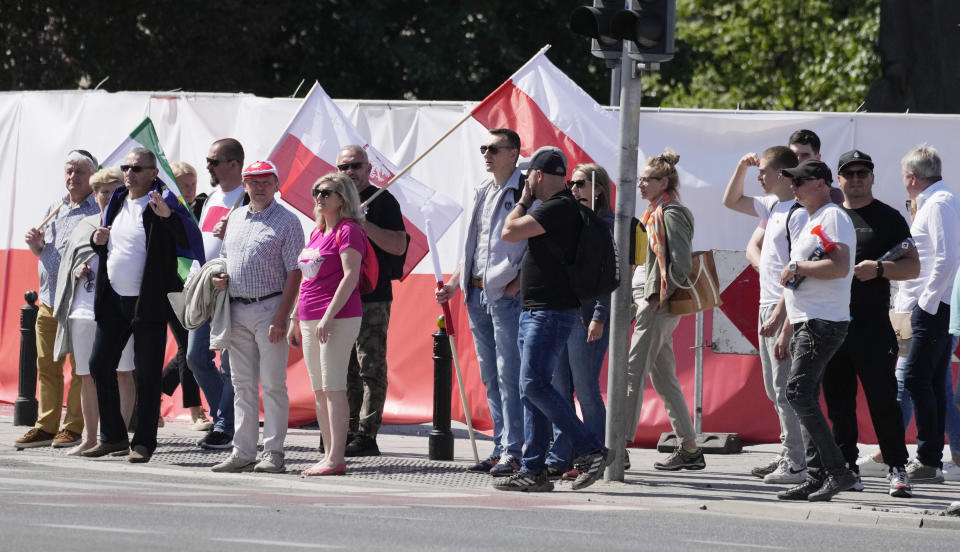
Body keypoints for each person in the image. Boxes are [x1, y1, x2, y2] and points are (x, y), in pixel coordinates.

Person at [494, 145, 608, 493]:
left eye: (529, 176)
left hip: (549, 312)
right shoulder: (561, 208)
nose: (526, 181)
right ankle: (535, 469)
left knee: (534, 386)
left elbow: (508, 232)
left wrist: (525, 200)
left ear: (538, 177)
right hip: (539, 311)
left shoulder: (558, 207)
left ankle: (589, 448)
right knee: (533, 391)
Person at [83, 147, 199, 463]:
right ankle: (114, 436)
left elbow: (189, 238)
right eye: (126, 167)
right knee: (99, 364)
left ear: (153, 173)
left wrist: (169, 217)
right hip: (113, 299)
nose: (129, 173)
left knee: (147, 374)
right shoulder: (119, 199)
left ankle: (143, 442)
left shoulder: (164, 200)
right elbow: (108, 240)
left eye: (137, 168)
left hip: (148, 301)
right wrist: (98, 241)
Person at [821, 150, 919, 498]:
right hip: (832, 326)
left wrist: (879, 269)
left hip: (873, 327)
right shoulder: (828, 217)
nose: (857, 179)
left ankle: (896, 468)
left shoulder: (889, 218)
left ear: (873, 178)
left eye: (863, 173)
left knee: (883, 401)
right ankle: (847, 469)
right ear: (839, 180)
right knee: (838, 403)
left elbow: (912, 266)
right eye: (850, 174)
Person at [435, 129, 526, 477]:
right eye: (483, 148)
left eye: (493, 148)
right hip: (477, 292)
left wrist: (517, 283)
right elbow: (473, 250)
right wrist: (456, 283)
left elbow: (534, 244)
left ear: (514, 153)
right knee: (491, 373)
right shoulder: (483, 192)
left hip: (505, 296)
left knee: (509, 372)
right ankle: (501, 445)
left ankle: (514, 449)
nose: (486, 153)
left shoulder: (524, 191)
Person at [210, 160, 303, 474]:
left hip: (269, 308)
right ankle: (243, 451)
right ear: (245, 185)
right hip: (236, 308)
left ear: (277, 185)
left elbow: (295, 272)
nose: (260, 187)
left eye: (266, 181)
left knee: (274, 384)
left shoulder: (288, 221)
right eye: (253, 181)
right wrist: (220, 278)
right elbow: (225, 258)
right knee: (242, 385)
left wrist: (282, 315)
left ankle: (274, 452)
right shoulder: (234, 218)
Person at [774, 159, 857, 501]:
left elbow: (839, 267)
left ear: (822, 184)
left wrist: (796, 264)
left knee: (799, 394)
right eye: (792, 181)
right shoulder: (806, 219)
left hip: (822, 321)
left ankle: (837, 472)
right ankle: (817, 474)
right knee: (802, 396)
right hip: (808, 320)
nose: (794, 186)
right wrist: (785, 328)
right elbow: (797, 281)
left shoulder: (833, 216)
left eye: (801, 180)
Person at [722, 146, 806, 483]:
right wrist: (741, 167)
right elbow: (731, 200)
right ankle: (791, 451)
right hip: (765, 304)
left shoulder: (798, 213)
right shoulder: (772, 205)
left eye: (764, 171)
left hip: (783, 307)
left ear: (784, 174)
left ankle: (799, 461)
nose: (760, 177)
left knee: (786, 388)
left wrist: (783, 319)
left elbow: (797, 273)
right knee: (775, 390)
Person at [623, 150, 703, 472]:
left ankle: (616, 446)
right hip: (649, 300)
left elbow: (681, 264)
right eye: (640, 179)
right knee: (664, 379)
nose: (640, 184)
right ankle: (691, 448)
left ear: (664, 182)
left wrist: (658, 295)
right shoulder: (654, 212)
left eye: (647, 179)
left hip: (657, 303)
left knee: (632, 372)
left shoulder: (671, 213)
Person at [15, 150, 101, 450]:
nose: (72, 177)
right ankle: (45, 426)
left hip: (77, 300)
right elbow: (47, 252)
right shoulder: (57, 206)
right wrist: (37, 247)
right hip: (50, 299)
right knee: (47, 365)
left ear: (92, 175)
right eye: (68, 171)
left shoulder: (97, 210)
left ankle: (74, 427)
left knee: (80, 368)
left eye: (79, 172)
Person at [51, 167, 136, 455]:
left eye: (112, 191)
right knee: (86, 373)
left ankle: (119, 437)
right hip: (83, 309)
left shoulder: (131, 224)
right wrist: (78, 269)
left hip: (118, 311)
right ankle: (90, 437)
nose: (105, 196)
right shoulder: (84, 225)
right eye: (101, 191)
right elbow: (68, 263)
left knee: (123, 372)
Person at [289, 173, 365, 476]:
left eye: (327, 192)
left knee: (334, 387)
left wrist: (328, 316)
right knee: (319, 389)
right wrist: (295, 316)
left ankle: (336, 457)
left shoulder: (349, 231)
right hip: (309, 315)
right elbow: (306, 280)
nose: (319, 197)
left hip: (337, 316)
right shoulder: (317, 232)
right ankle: (328, 454)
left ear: (342, 197)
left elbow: (351, 276)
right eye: (316, 191)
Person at [894, 144, 960, 484]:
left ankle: (928, 458)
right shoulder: (935, 202)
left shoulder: (939, 203)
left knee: (919, 380)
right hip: (932, 306)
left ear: (911, 177)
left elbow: (948, 259)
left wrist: (927, 304)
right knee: (930, 382)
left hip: (933, 308)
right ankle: (930, 459)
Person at [336, 145, 408, 457]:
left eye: (355, 165)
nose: (349, 172)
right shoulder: (333, 201)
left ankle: (367, 434)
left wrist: (362, 223)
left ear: (368, 169)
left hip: (372, 297)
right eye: (343, 167)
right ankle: (346, 429)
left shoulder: (383, 201)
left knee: (370, 365)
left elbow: (398, 245)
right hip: (340, 296)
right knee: (344, 367)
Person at [543, 163, 613, 480]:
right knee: (558, 391)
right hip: (562, 313)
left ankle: (592, 456)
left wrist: (599, 316)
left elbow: (610, 277)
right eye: (571, 183)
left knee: (586, 391)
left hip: (587, 318)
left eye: (581, 183)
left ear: (598, 188)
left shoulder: (608, 224)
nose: (573, 189)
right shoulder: (572, 219)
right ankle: (561, 455)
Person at [187, 139, 247, 450]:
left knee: (228, 362)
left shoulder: (248, 198)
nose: (207, 166)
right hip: (204, 287)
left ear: (233, 164)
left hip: (232, 289)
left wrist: (234, 232)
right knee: (195, 357)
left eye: (214, 161)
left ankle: (224, 426)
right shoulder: (211, 197)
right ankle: (225, 418)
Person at [160, 161, 210, 430]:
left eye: (193, 184)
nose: (190, 190)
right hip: (173, 287)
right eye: (184, 185)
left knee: (190, 348)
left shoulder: (204, 206)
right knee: (187, 346)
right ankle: (195, 410)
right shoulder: (162, 208)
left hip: (200, 286)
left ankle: (151, 396)